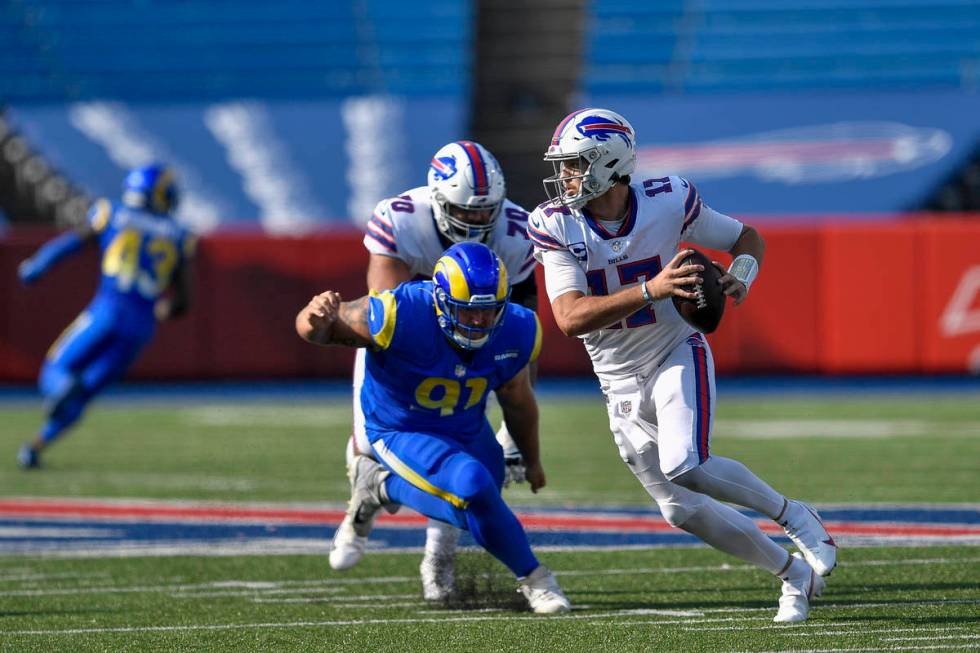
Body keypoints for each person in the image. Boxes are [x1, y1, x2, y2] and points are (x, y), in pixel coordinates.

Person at [528, 108, 837, 623]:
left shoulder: (667, 199)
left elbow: (746, 239)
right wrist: (651, 289)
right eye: (563, 166)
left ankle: (795, 515)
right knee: (679, 509)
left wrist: (741, 275)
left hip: (674, 349)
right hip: (616, 378)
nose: (566, 177)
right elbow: (569, 318)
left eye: (576, 164)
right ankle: (793, 576)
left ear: (610, 162)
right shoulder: (554, 222)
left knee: (686, 462)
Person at [295, 241, 570, 614]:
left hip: (465, 427)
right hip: (400, 426)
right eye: (467, 312)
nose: (479, 322)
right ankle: (537, 579)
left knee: (481, 503)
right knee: (472, 486)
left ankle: (379, 488)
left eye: (489, 312)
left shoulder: (517, 328)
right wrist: (315, 319)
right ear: (441, 301)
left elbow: (517, 400)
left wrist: (532, 460)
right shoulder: (399, 312)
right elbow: (320, 330)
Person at [332, 140, 539, 600]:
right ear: (438, 199)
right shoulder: (403, 218)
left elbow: (519, 335)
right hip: (406, 343)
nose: (478, 222)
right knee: (369, 448)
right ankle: (365, 501)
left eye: (488, 212)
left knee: (469, 465)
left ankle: (438, 559)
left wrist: (512, 427)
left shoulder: (516, 232)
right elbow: (389, 319)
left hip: (477, 339)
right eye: (467, 211)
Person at [16, 164, 196, 469]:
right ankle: (34, 448)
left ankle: (62, 389)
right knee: (85, 394)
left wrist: (38, 265)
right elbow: (183, 302)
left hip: (108, 309)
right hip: (140, 326)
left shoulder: (111, 213)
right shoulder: (179, 236)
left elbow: (72, 243)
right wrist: (162, 309)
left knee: (56, 369)